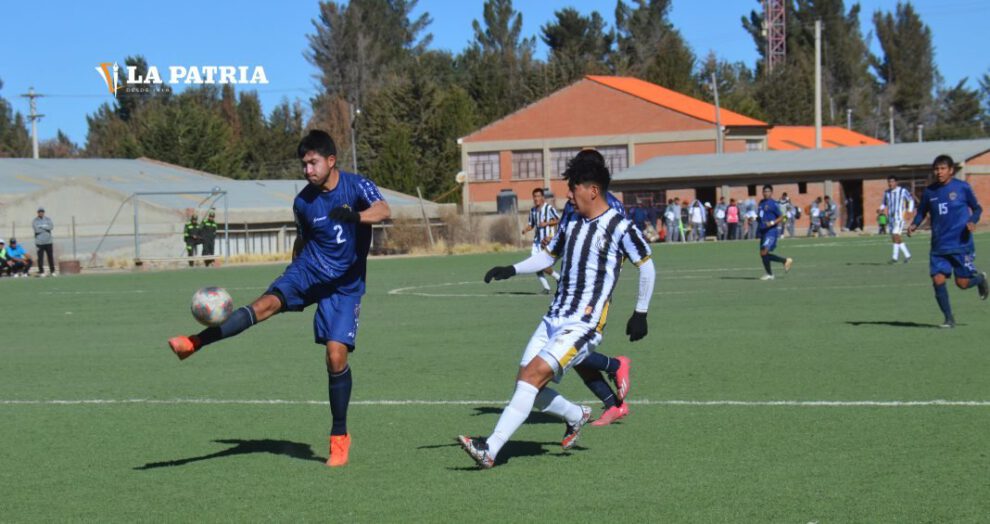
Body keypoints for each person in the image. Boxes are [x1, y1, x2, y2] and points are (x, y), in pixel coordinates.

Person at [167, 130, 391, 466]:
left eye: (313, 163)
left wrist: (356, 216)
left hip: (345, 285)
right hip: (308, 271)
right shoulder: (303, 202)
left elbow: (384, 210)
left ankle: (339, 436)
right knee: (264, 304)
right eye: (304, 164)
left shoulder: (357, 186)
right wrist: (292, 276)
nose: (307, 170)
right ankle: (194, 342)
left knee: (335, 356)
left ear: (331, 161)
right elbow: (303, 240)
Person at [458, 154, 655, 469]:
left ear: (592, 190)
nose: (568, 195)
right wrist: (511, 269)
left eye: (573, 188)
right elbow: (549, 256)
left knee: (532, 377)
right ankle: (575, 415)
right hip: (554, 316)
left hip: (583, 323)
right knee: (526, 383)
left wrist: (640, 312)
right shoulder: (572, 219)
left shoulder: (619, 226)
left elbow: (647, 266)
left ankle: (490, 449)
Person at [908, 155, 987, 328]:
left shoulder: (962, 187)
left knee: (962, 284)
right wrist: (914, 224)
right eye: (936, 169)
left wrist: (972, 220)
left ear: (951, 170)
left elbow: (977, 208)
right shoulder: (929, 192)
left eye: (943, 168)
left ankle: (980, 279)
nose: (939, 172)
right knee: (938, 280)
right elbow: (921, 212)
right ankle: (949, 319)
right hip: (939, 246)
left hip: (961, 244)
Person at [522, 188, 561, 294]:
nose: (536, 198)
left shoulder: (549, 208)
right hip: (536, 242)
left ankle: (558, 278)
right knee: (535, 265)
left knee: (541, 264)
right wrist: (526, 229)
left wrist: (547, 223)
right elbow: (531, 224)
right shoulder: (533, 211)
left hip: (546, 242)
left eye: (538, 196)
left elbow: (559, 220)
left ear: (543, 197)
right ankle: (546, 287)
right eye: (534, 196)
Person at [757, 185, 793, 280]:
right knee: (762, 254)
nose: (766, 193)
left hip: (771, 231)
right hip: (763, 231)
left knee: (764, 252)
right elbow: (760, 216)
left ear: (771, 192)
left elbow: (782, 217)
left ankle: (784, 261)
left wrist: (772, 223)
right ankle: (770, 274)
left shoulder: (774, 204)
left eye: (768, 191)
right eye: (764, 191)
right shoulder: (761, 203)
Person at [880, 176, 914, 263]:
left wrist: (909, 211)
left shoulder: (902, 191)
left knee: (895, 234)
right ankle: (907, 255)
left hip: (899, 217)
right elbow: (884, 203)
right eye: (889, 182)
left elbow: (910, 200)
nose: (890, 184)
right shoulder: (886, 192)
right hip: (891, 218)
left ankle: (894, 257)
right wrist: (881, 209)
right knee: (895, 237)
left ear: (896, 182)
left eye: (892, 182)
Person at [33, 207, 56, 276]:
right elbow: (36, 230)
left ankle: (52, 271)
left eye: (42, 212)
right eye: (39, 212)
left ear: (44, 212)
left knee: (50, 257)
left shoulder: (48, 219)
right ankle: (41, 272)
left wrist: (41, 226)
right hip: (39, 243)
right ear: (38, 213)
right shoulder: (35, 221)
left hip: (48, 242)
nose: (41, 213)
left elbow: (51, 227)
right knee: (40, 258)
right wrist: (46, 227)